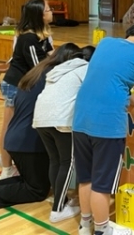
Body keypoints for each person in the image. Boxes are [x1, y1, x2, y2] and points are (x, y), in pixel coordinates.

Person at [0, 44, 82, 216]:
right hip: (29, 141)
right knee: (37, 190)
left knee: (31, 181)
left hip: (15, 137)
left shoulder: (37, 72)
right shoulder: (56, 77)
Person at [72, 22, 134, 235]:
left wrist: (129, 98)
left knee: (86, 178)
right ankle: (103, 229)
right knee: (102, 184)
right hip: (108, 124)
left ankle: (85, 225)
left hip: (81, 118)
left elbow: (108, 81)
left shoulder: (105, 43)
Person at [33, 45, 96, 223]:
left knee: (55, 160)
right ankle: (57, 209)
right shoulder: (85, 68)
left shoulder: (60, 68)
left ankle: (61, 200)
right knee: (67, 163)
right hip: (60, 119)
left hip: (40, 117)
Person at [0, 0, 54, 178]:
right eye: (48, 9)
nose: (51, 12)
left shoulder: (42, 34)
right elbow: (39, 67)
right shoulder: (28, 38)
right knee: (9, 126)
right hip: (15, 85)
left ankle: (9, 158)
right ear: (39, 15)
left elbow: (52, 55)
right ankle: (6, 168)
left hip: (25, 86)